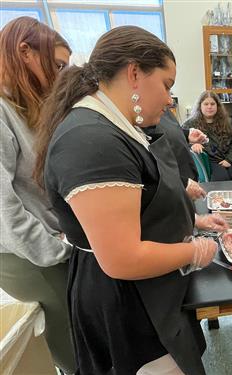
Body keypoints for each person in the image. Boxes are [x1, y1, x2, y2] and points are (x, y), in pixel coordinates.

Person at [34, 26, 219, 374]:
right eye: (166, 85)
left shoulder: (118, 126)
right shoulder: (92, 142)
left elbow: (141, 204)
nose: (169, 100)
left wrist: (192, 222)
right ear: (134, 73)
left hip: (151, 288)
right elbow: (123, 258)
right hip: (126, 300)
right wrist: (198, 251)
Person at [0, 17, 76, 374]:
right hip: (28, 256)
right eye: (58, 65)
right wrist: (60, 250)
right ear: (25, 52)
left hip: (48, 243)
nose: (62, 76)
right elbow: (6, 214)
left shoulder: (26, 109)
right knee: (73, 350)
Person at [184, 90, 232, 181]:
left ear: (217, 106)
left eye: (212, 104)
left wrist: (229, 160)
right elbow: (180, 141)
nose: (209, 107)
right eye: (206, 104)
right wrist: (192, 145)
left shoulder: (225, 121)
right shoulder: (190, 124)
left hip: (228, 157)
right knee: (221, 178)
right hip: (209, 161)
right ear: (200, 106)